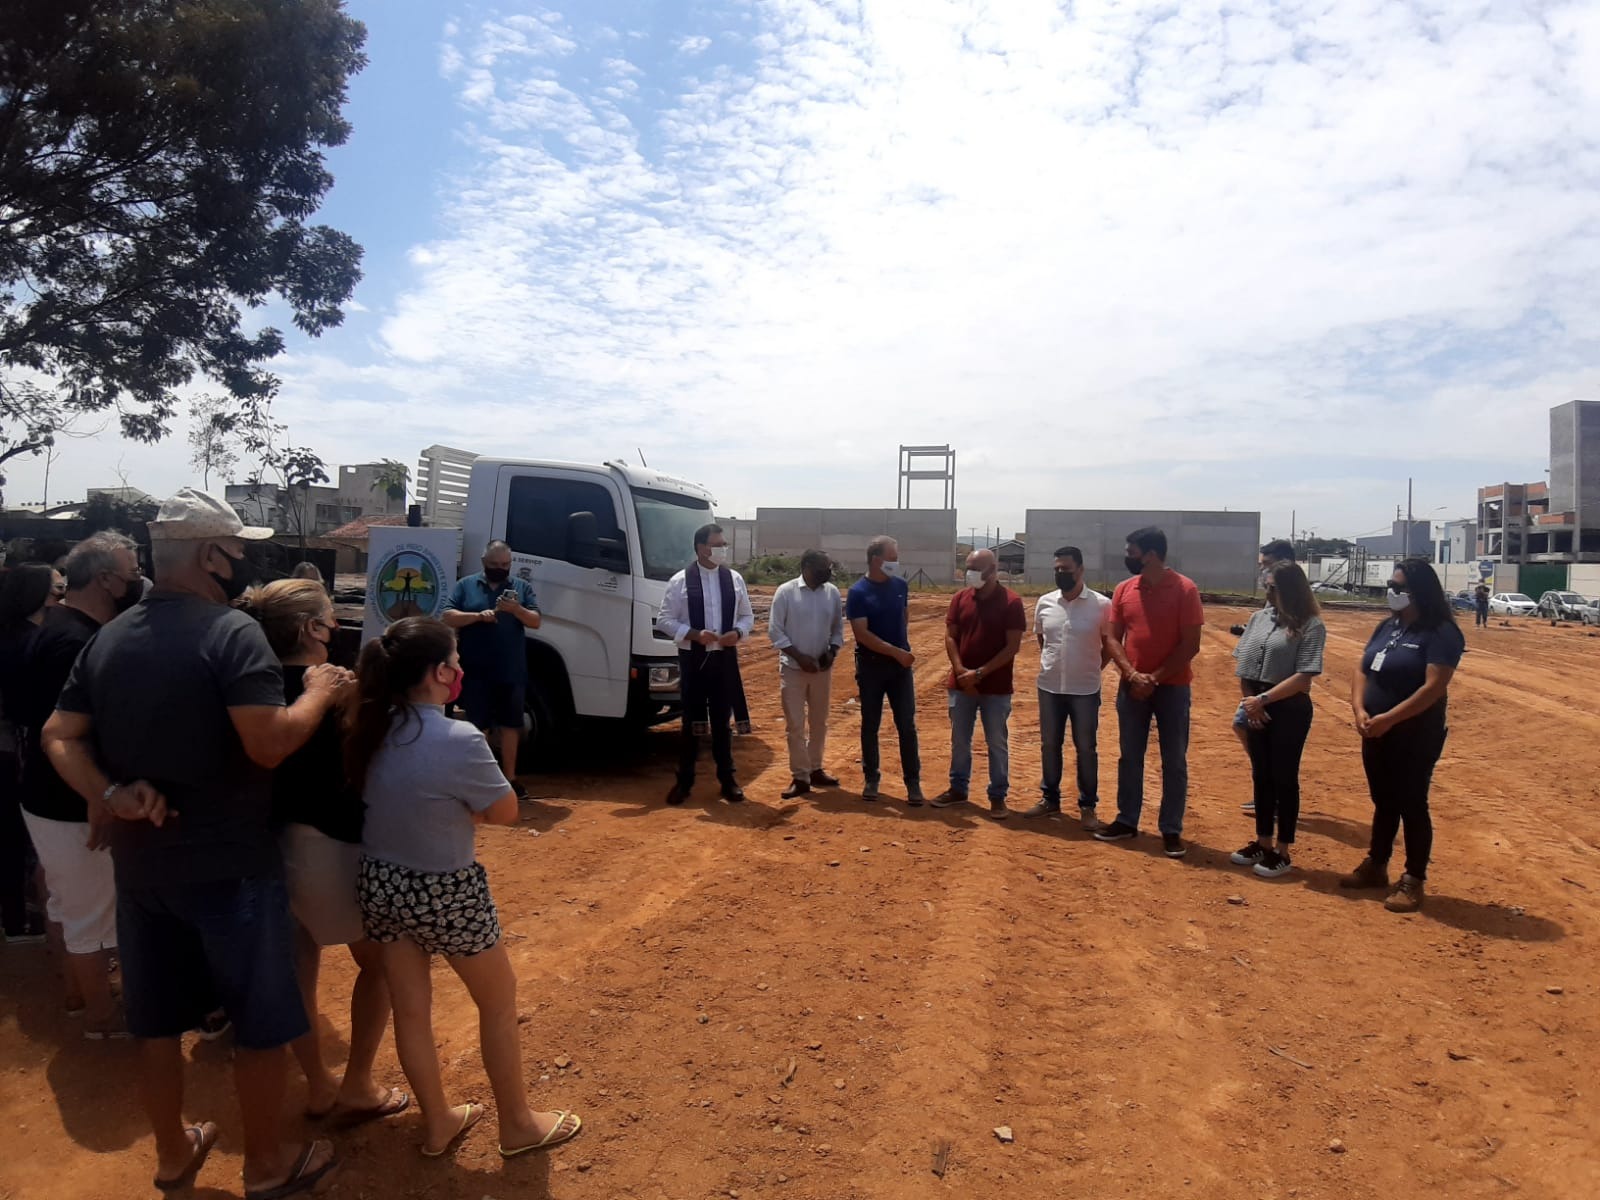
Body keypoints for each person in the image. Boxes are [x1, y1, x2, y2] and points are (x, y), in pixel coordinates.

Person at [42, 488, 349, 1197]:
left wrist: (109, 795)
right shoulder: (230, 634)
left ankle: (174, 1156)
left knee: (155, 1022)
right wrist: (320, 693)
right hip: (233, 868)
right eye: (238, 548)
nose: (243, 560)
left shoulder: (108, 638)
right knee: (260, 1020)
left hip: (143, 872)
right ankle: (268, 1166)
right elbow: (268, 745)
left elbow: (61, 736)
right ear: (211, 554)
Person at [347, 617, 582, 1159]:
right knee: (497, 1004)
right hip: (445, 891)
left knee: (411, 1011)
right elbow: (505, 811)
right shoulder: (459, 738)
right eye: (454, 660)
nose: (460, 669)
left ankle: (439, 1122)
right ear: (437, 673)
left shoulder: (372, 725)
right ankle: (517, 1124)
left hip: (381, 883)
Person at [249, 580, 404, 1125]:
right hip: (329, 845)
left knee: (299, 969)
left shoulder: (257, 687)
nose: (335, 626)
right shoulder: (335, 691)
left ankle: (318, 1084)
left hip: (272, 844)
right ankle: (356, 1084)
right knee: (380, 963)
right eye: (327, 618)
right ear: (310, 629)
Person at [14, 535, 142, 1035]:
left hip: (51, 795)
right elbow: (71, 732)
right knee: (92, 919)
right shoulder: (76, 640)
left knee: (69, 904)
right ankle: (103, 1018)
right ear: (106, 579)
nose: (135, 581)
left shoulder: (59, 625)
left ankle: (76, 995)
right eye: (130, 572)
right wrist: (100, 796)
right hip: (71, 800)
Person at [1340, 559, 1464, 913]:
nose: (1391, 593)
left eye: (1398, 588)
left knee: (1412, 802)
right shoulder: (1388, 626)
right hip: (1375, 729)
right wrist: (1360, 710)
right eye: (1391, 587)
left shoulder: (1441, 632)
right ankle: (1377, 865)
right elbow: (1363, 668)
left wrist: (1390, 719)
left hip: (1414, 734)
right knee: (1384, 800)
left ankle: (1413, 879)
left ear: (1420, 592)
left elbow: (1434, 686)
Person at [1095, 527, 1205, 858]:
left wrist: (1153, 678)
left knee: (1174, 760)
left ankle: (1170, 829)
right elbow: (1112, 637)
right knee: (1130, 756)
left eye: (1131, 551)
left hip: (1172, 689)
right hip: (1132, 687)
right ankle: (1127, 821)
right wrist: (1131, 674)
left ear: (1151, 554)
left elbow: (1191, 644)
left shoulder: (1185, 590)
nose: (1127, 557)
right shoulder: (1124, 589)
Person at [1227, 562, 1326, 879]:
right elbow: (1244, 665)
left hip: (1288, 707)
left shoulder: (1310, 625)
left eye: (1273, 587)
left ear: (1291, 589)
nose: (1267, 592)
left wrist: (1263, 701)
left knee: (1284, 777)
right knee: (1261, 775)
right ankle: (1263, 841)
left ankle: (1283, 850)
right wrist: (1250, 703)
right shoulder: (1258, 619)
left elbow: (1304, 675)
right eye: (1266, 586)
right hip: (1256, 704)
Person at [657, 524, 754, 805]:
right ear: (702, 548)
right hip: (694, 661)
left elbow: (747, 616)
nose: (724, 548)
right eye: (719, 543)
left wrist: (737, 633)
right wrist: (694, 634)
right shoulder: (680, 581)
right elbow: (664, 619)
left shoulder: (734, 579)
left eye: (724, 543)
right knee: (692, 723)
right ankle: (684, 782)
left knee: (722, 722)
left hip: (723, 660)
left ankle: (728, 780)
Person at [931, 549, 1026, 819]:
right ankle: (958, 789)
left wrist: (980, 673)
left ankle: (998, 795)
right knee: (960, 740)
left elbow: (1012, 647)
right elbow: (951, 637)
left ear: (992, 570)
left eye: (975, 567)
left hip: (995, 687)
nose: (969, 572)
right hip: (961, 684)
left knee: (996, 741)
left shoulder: (1011, 602)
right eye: (967, 566)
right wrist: (961, 670)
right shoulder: (960, 599)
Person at [1025, 546, 1115, 830]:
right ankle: (1049, 798)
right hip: (1049, 686)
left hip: (1085, 690)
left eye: (1066, 569)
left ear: (1081, 570)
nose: (1060, 574)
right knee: (1050, 744)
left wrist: (1090, 668)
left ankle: (1088, 806)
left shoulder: (1101, 605)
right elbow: (1043, 641)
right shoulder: (1045, 603)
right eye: (1057, 569)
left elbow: (1109, 646)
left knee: (1086, 748)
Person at [443, 541, 540, 796]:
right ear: (484, 562)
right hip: (475, 671)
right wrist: (477, 616)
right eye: (495, 565)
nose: (501, 569)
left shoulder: (521, 587)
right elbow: (448, 616)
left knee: (511, 725)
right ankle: (480, 779)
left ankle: (510, 779)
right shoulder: (466, 585)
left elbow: (536, 621)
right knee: (477, 726)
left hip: (511, 670)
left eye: (505, 565)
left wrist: (516, 609)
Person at [0, 563, 57, 944]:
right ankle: (21, 919)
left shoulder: (15, 636)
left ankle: (16, 916)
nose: (62, 595)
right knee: (18, 839)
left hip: (10, 748)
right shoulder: (31, 643)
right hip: (14, 752)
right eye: (56, 589)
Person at [847, 537, 923, 805]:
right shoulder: (857, 592)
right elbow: (862, 634)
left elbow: (904, 617)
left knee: (906, 725)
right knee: (870, 724)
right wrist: (896, 651)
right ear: (877, 560)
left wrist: (899, 652)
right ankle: (871, 778)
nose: (896, 562)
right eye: (893, 557)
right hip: (872, 667)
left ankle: (913, 783)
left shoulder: (901, 585)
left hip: (900, 668)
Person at [768, 550, 844, 799]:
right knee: (796, 725)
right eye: (825, 567)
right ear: (807, 567)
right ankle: (800, 777)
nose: (829, 572)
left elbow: (837, 629)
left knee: (819, 722)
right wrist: (799, 657)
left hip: (822, 670)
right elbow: (775, 631)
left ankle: (815, 769)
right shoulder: (786, 592)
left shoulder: (832, 593)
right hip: (793, 669)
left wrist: (831, 652)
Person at [1238, 540, 1297, 814]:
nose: (1262, 571)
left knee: (1257, 734)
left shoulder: (1293, 594)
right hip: (1259, 682)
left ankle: (1270, 792)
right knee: (1245, 726)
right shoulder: (1274, 593)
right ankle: (1267, 788)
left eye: (1266, 564)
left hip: (1276, 685)